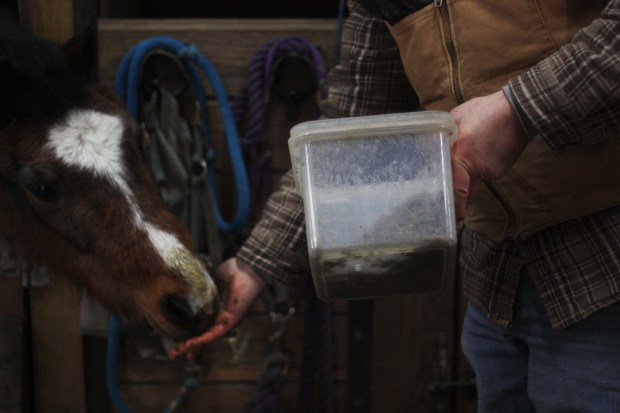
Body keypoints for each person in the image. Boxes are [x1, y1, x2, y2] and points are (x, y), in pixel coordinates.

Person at [172, 0, 620, 411]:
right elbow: (353, 121)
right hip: (497, 286)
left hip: (603, 272)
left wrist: (518, 111)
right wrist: (255, 265)